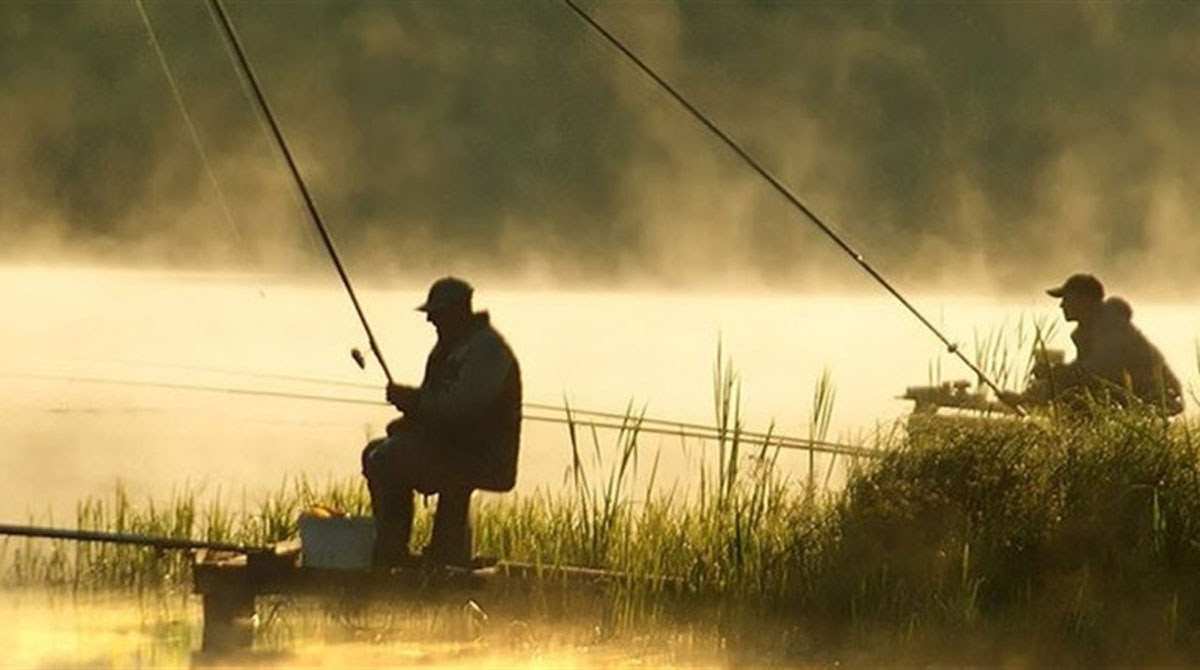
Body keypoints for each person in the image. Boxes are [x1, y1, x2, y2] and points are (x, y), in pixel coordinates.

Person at [361, 276, 522, 568]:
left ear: (458, 311)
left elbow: (461, 408)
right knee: (375, 450)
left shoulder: (487, 351)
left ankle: (400, 553)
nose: (430, 320)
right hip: (454, 448)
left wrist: (413, 401)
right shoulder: (453, 347)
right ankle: (395, 549)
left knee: (387, 457)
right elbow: (439, 410)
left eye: (436, 314)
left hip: (481, 456)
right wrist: (407, 421)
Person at [1002, 273, 1183, 416]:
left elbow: (1096, 373)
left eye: (1066, 299)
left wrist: (1053, 373)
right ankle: (1030, 405)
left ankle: (1033, 409)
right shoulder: (1092, 328)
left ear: (1082, 300)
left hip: (1158, 400)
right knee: (1068, 387)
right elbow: (1085, 371)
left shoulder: (1111, 328)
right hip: (1133, 396)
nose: (1061, 305)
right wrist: (1051, 375)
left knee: (1071, 391)